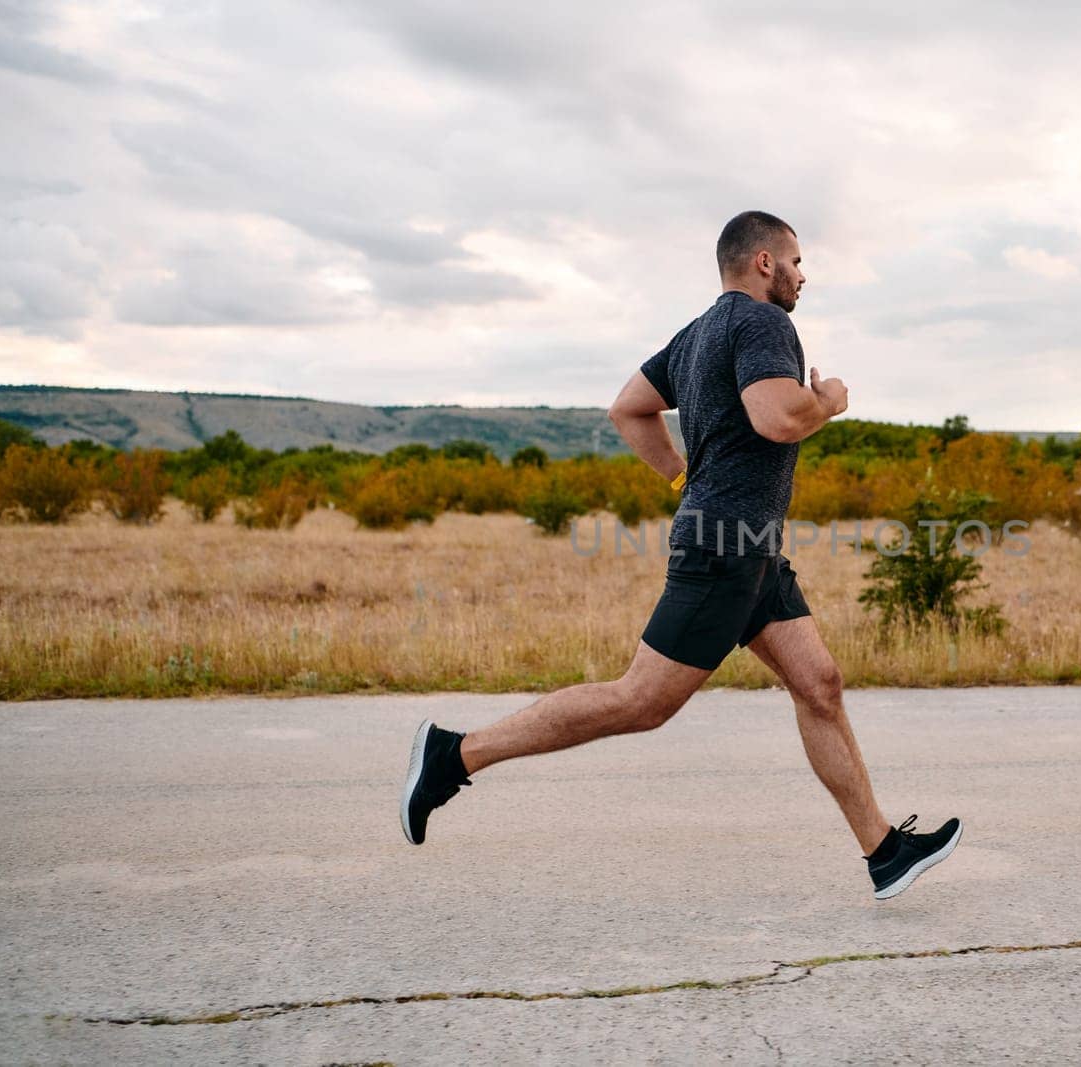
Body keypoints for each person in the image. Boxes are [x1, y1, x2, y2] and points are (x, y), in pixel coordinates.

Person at [400, 210, 961, 901]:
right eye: (796, 260)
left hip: (752, 550)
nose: (802, 275)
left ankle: (884, 851)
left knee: (820, 683)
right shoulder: (763, 324)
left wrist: (680, 478)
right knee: (641, 700)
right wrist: (828, 401)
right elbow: (778, 417)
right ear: (763, 262)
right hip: (724, 548)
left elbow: (628, 408)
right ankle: (453, 755)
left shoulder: (697, 335)